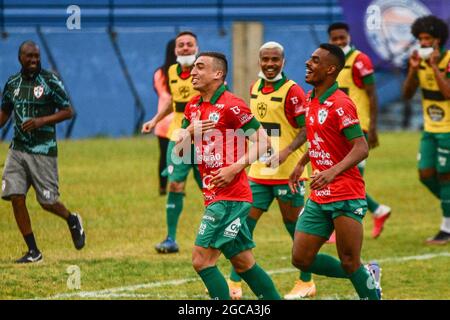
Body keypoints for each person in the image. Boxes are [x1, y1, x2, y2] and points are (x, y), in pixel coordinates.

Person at [177, 51, 281, 300]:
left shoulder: (232, 105)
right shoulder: (193, 106)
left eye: (200, 67)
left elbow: (264, 143)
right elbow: (180, 150)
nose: (193, 72)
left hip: (230, 198)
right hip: (214, 195)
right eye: (193, 68)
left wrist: (235, 167)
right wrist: (190, 132)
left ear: (218, 74)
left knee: (201, 260)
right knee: (244, 263)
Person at [289, 43, 381, 300]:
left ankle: (367, 284)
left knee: (350, 261)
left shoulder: (341, 104)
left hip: (345, 194)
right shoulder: (311, 98)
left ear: (331, 69)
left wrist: (332, 171)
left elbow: (361, 148)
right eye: (310, 58)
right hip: (319, 195)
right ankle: (367, 274)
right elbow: (319, 137)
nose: (308, 63)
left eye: (315, 60)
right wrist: (300, 163)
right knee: (301, 259)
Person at [227, 41, 315, 300]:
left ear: (283, 62)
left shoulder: (293, 91)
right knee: (242, 226)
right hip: (258, 173)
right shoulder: (255, 87)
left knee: (295, 230)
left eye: (275, 60)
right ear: (259, 61)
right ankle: (235, 282)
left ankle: (306, 282)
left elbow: (307, 129)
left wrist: (287, 152)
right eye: (265, 59)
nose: (269, 64)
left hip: (288, 174)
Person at [0, 40, 85, 263]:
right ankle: (33, 251)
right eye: (29, 56)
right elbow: (5, 113)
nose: (34, 60)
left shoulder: (49, 81)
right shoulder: (12, 84)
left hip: (43, 150)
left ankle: (71, 218)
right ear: (20, 58)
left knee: (47, 202)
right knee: (15, 196)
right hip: (18, 149)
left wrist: (41, 121)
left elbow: (68, 111)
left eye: (37, 57)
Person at [328, 22, 391, 240]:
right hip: (336, 129)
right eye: (334, 39)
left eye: (341, 38)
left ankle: (341, 227)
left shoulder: (359, 60)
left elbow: (372, 94)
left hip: (357, 128)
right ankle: (378, 211)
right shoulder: (331, 62)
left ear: (348, 36)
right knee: (345, 177)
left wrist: (372, 127)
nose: (339, 42)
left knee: (347, 178)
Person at [142, 31, 202, 253]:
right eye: (181, 45)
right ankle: (171, 238)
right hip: (180, 138)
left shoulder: (206, 71)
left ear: (196, 48)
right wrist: (154, 120)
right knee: (175, 184)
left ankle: (219, 232)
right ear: (175, 50)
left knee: (209, 188)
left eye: (189, 45)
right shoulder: (171, 72)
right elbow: (173, 102)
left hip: (204, 138)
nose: (185, 48)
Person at [403, 15, 450, 244]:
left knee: (445, 175)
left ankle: (446, 228)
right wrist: (413, 71)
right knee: (425, 174)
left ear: (438, 41)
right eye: (420, 38)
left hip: (449, 130)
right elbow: (407, 94)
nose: (422, 42)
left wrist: (435, 67)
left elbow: (448, 93)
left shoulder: (448, 60)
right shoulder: (418, 61)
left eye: (427, 38)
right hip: (430, 130)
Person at [153, 39, 176, 196]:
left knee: (164, 156)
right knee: (184, 158)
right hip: (180, 121)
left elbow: (160, 93)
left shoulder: (159, 73)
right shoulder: (187, 74)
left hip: (162, 122)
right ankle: (178, 186)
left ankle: (163, 188)